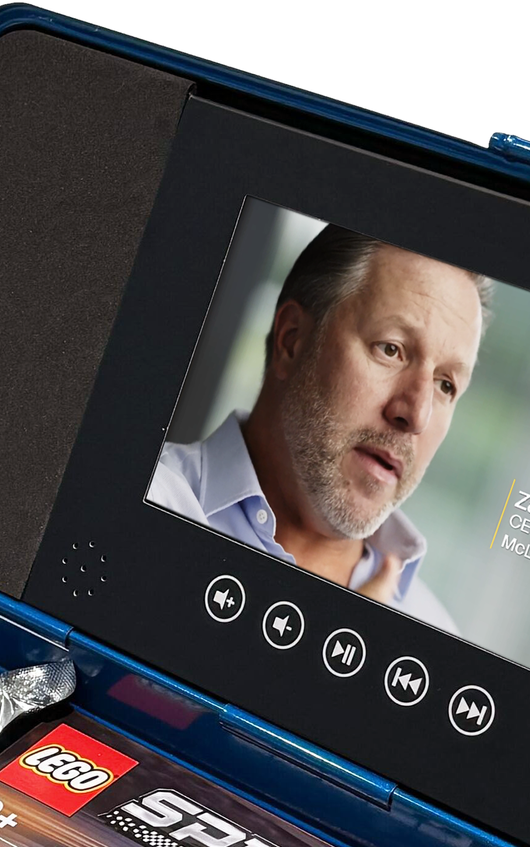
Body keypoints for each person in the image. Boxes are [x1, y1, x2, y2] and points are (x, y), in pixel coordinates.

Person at [149, 226, 485, 633]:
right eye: (391, 349)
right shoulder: (142, 509)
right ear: (292, 341)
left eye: (445, 385)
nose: (416, 414)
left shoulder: (435, 637)